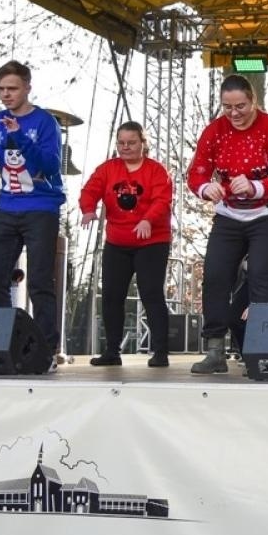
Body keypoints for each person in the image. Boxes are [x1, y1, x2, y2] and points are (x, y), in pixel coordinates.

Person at [185, 74, 268, 375]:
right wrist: (204, 189)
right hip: (231, 215)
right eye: (227, 107)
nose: (234, 114)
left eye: (241, 106)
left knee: (261, 273)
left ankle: (261, 352)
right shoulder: (214, 132)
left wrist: (255, 186)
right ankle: (215, 351)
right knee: (215, 275)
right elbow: (195, 173)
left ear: (253, 101)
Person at [0, 60, 65, 357]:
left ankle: (45, 348)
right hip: (6, 207)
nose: (6, 95)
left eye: (12, 89)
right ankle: (3, 344)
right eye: (1, 89)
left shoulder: (45, 122)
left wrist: (19, 135)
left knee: (41, 281)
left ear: (27, 88)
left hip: (41, 207)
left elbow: (50, 166)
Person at [79, 122, 173, 368]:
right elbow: (90, 190)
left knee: (150, 293)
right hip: (117, 242)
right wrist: (88, 210)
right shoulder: (108, 169)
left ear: (143, 143)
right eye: (121, 143)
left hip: (151, 241)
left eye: (131, 142)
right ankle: (112, 351)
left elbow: (162, 200)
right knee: (111, 295)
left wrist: (147, 220)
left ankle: (161, 351)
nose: (125, 147)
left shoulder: (156, 171)